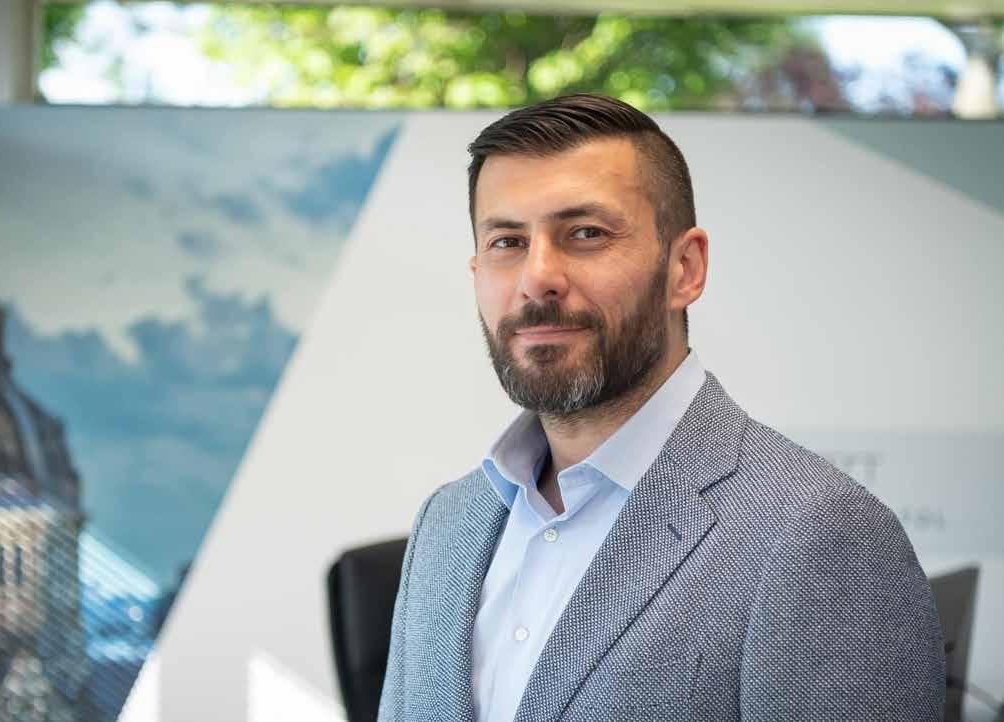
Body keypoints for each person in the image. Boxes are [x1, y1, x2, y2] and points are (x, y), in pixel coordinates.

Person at [377, 93, 944, 721]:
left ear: (686, 268)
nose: (538, 277)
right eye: (508, 241)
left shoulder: (818, 535)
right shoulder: (446, 523)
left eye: (586, 234)